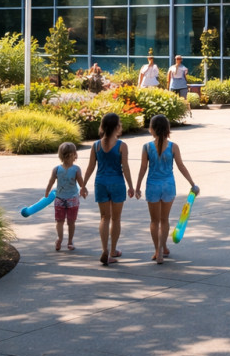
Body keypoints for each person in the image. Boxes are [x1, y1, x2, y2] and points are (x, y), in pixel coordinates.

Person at [134, 114, 199, 264]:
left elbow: (143, 168)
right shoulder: (173, 146)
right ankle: (163, 248)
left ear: (152, 129)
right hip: (168, 186)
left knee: (154, 221)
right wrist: (192, 183)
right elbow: (181, 166)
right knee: (164, 220)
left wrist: (137, 186)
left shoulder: (147, 147)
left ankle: (158, 250)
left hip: (152, 186)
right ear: (167, 129)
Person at [81, 113, 135, 266]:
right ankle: (112, 250)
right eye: (120, 124)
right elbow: (125, 168)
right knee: (116, 219)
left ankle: (104, 249)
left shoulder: (96, 145)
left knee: (104, 217)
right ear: (116, 127)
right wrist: (131, 186)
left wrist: (84, 185)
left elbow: (91, 167)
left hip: (101, 183)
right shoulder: (121, 146)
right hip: (117, 183)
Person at [45, 142, 86, 252]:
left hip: (59, 199)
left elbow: (51, 182)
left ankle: (59, 238)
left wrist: (47, 192)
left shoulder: (56, 169)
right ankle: (70, 242)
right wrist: (83, 190)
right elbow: (81, 182)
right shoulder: (76, 169)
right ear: (74, 154)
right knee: (71, 222)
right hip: (72, 199)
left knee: (59, 221)